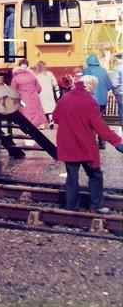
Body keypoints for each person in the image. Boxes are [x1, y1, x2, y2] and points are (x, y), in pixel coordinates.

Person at [53, 75, 123, 214]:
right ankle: (95, 206)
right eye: (94, 87)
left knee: (72, 177)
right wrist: (117, 142)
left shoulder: (65, 98)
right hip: (84, 145)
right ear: (90, 85)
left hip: (67, 144)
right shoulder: (90, 102)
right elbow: (100, 127)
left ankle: (71, 207)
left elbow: (56, 118)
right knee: (95, 175)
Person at [10, 59, 48, 128]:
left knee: (25, 112)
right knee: (37, 111)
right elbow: (39, 88)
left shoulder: (15, 78)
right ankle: (41, 124)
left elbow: (12, 91)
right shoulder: (32, 76)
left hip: (23, 99)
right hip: (34, 97)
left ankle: (28, 126)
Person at [34, 60, 59, 128]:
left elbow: (34, 85)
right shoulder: (49, 73)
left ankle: (42, 125)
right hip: (49, 93)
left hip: (40, 93)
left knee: (41, 109)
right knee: (50, 108)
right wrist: (57, 91)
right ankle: (51, 120)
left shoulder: (36, 75)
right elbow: (55, 83)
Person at [112, 52, 123, 128]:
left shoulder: (116, 68)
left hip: (121, 92)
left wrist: (115, 92)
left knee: (122, 110)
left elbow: (114, 83)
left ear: (116, 58)